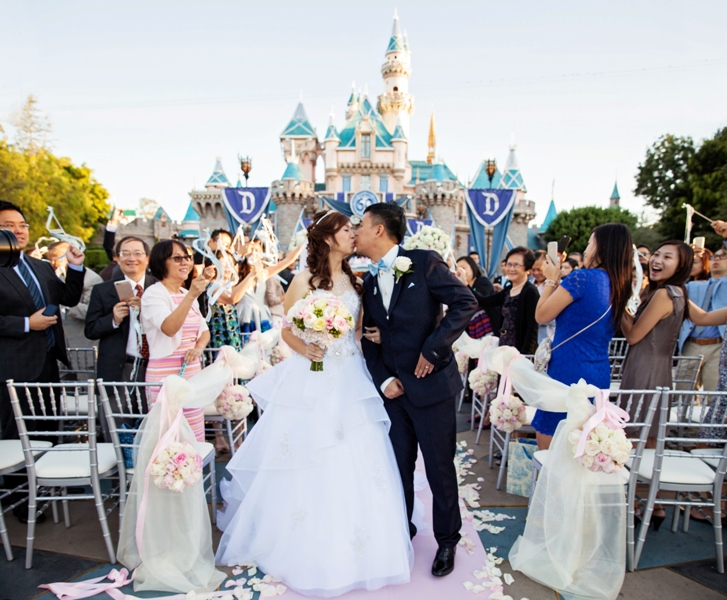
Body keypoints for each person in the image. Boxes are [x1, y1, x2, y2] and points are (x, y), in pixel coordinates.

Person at [216, 210, 414, 596]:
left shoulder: (358, 281)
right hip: (313, 373)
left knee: (358, 452)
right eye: (345, 230)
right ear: (327, 238)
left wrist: (367, 336)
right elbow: (287, 328)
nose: (353, 235)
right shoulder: (305, 279)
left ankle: (363, 544)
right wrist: (307, 347)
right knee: (309, 451)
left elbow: (356, 331)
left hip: (351, 375)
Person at [356, 203, 478, 578]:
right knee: (397, 468)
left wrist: (433, 347)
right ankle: (400, 532)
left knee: (440, 468)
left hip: (432, 388)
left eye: (360, 225)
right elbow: (371, 338)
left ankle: (447, 541)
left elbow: (465, 302)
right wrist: (383, 379)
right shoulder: (371, 281)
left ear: (379, 230)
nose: (355, 232)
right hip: (394, 393)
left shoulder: (423, 262)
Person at [0, 200, 85, 522]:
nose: (19, 231)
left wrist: (75, 267)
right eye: (9, 226)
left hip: (49, 363)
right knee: (18, 436)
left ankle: (51, 486)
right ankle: (23, 502)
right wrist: (25, 324)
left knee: (51, 429)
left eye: (22, 225)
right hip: (12, 367)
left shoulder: (39, 266)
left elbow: (68, 298)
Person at [533, 224, 633, 450]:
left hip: (567, 370)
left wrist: (550, 279)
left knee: (551, 445)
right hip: (597, 373)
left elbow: (541, 315)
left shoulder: (582, 278)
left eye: (590, 243)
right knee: (584, 443)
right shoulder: (619, 283)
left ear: (602, 247)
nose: (587, 250)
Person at [141, 240, 211, 441]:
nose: (185, 263)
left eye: (187, 258)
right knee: (169, 439)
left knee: (194, 434)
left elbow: (204, 332)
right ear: (161, 262)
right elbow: (169, 328)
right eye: (178, 258)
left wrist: (198, 348)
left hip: (192, 374)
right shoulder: (154, 294)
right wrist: (191, 295)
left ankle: (196, 473)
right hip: (165, 374)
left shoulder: (184, 293)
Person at [85, 236, 156, 388]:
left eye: (138, 253)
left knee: (154, 411)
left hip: (156, 365)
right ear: (117, 258)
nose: (132, 258)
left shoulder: (159, 288)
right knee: (114, 411)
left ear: (147, 258)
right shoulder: (102, 290)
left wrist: (147, 309)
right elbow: (90, 330)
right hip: (118, 366)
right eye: (125, 253)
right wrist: (113, 320)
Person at [677, 246, 727, 391]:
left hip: (718, 345)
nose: (717, 259)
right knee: (681, 394)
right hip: (690, 343)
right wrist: (686, 257)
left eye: (723, 256)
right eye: (714, 257)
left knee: (714, 396)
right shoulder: (694, 286)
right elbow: (674, 284)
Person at [476, 247, 539, 354]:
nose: (511, 269)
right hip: (503, 346)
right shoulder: (508, 290)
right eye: (509, 264)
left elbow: (532, 328)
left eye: (516, 265)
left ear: (528, 269)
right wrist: (465, 284)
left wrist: (525, 355)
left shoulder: (530, 292)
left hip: (519, 351)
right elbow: (483, 301)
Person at [46, 240, 103, 349]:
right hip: (58, 341)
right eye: (50, 259)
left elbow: (93, 311)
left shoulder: (91, 279)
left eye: (55, 258)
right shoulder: (55, 277)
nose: (52, 263)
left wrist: (67, 302)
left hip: (81, 343)